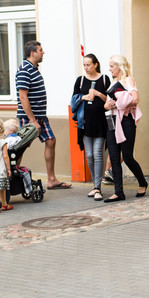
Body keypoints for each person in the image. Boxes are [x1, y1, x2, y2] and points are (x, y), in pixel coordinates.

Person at [15, 40, 71, 190]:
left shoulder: (34, 68)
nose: (43, 52)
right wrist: (32, 120)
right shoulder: (24, 70)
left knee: (51, 141)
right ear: (32, 53)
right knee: (20, 147)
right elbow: (23, 97)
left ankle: (51, 179)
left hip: (40, 115)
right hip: (28, 117)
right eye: (40, 50)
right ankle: (10, 176)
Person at [103, 55, 148, 203]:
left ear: (119, 66)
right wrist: (108, 105)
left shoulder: (128, 80)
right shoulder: (112, 82)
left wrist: (120, 103)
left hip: (126, 120)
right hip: (112, 120)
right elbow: (106, 104)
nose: (109, 69)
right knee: (114, 157)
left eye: (111, 66)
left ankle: (142, 182)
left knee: (127, 157)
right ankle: (118, 192)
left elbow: (135, 99)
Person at [72, 54, 110, 201]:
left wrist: (98, 94)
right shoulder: (80, 80)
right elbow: (73, 99)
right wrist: (84, 97)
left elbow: (110, 98)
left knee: (97, 153)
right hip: (85, 123)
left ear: (95, 64)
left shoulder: (105, 79)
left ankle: (97, 187)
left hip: (100, 122)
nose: (86, 68)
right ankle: (95, 185)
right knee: (89, 155)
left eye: (88, 65)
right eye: (84, 65)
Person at [0, 120, 12, 211]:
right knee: (2, 188)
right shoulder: (3, 142)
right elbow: (5, 156)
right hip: (1, 169)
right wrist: (9, 169)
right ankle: (4, 203)